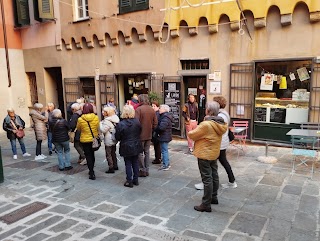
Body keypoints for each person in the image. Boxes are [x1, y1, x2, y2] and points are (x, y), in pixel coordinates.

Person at [188, 101, 227, 212]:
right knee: (214, 175)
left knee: (207, 178)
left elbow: (192, 135)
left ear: (208, 111)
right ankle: (213, 197)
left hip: (204, 153)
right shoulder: (221, 123)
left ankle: (206, 204)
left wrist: (192, 130)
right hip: (214, 152)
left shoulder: (206, 124)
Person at [195, 96, 237, 190]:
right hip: (222, 142)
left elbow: (213, 129)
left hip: (218, 143)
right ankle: (231, 181)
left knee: (209, 163)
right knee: (221, 162)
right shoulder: (224, 114)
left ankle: (207, 183)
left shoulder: (220, 116)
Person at [115, 105, 143, 188]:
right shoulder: (137, 122)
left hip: (126, 145)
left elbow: (118, 137)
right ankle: (136, 179)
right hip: (136, 144)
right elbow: (139, 131)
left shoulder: (121, 124)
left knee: (128, 163)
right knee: (135, 162)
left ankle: (129, 180)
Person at [135, 94, 158, 177]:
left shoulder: (138, 109)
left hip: (140, 135)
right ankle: (147, 169)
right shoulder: (152, 109)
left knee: (140, 153)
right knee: (147, 152)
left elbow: (136, 123)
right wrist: (151, 129)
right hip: (149, 134)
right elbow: (156, 123)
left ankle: (142, 169)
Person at [76, 103, 99, 180]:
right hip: (93, 139)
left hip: (84, 139)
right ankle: (92, 169)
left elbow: (78, 129)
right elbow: (97, 127)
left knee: (88, 155)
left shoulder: (80, 119)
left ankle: (91, 172)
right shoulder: (96, 117)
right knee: (92, 154)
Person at [100, 106, 120, 173]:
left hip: (108, 139)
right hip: (114, 138)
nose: (103, 112)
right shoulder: (115, 118)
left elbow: (103, 130)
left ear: (107, 112)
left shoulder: (107, 121)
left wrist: (100, 124)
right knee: (113, 152)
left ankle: (111, 167)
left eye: (104, 111)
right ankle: (115, 165)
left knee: (108, 154)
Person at [155, 104, 173, 170]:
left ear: (164, 109)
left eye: (160, 108)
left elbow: (162, 127)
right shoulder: (165, 116)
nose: (159, 109)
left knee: (164, 150)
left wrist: (156, 128)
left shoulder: (165, 117)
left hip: (164, 136)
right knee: (165, 150)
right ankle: (166, 163)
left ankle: (165, 165)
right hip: (165, 135)